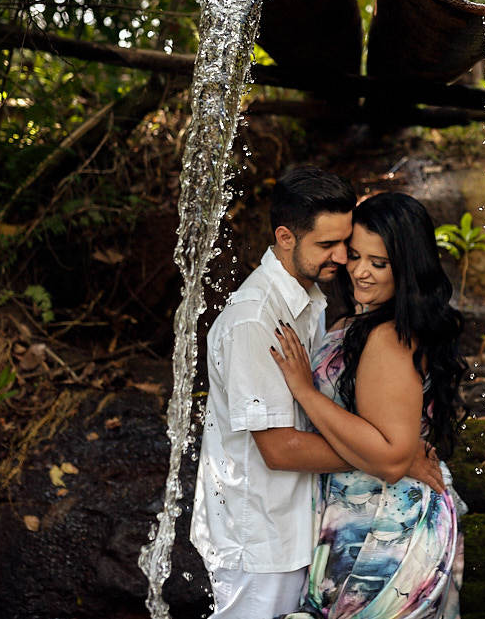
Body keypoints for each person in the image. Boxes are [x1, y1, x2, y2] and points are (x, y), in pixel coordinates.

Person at [190, 168, 444, 619]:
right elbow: (280, 448)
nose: (344, 259)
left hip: (308, 529)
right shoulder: (256, 321)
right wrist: (395, 457)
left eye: (347, 243)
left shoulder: (311, 299)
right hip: (262, 537)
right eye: (329, 245)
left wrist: (391, 451)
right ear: (285, 237)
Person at [269, 191, 467, 619]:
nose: (360, 271)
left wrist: (305, 391)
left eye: (378, 263)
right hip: (366, 521)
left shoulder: (388, 337)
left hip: (385, 534)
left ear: (407, 268)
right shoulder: (362, 323)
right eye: (355, 255)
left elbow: (392, 458)